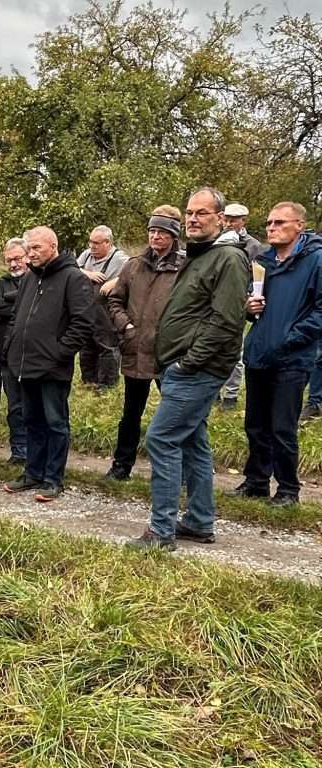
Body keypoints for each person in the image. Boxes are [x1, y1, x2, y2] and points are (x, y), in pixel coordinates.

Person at [129, 187, 250, 550]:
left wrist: (189, 361)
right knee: (193, 442)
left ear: (221, 218)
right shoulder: (201, 255)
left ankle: (161, 532)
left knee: (161, 438)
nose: (193, 219)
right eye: (189, 213)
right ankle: (198, 520)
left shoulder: (228, 258)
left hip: (196, 369)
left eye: (202, 213)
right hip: (181, 366)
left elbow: (226, 320)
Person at [231, 202, 322, 506]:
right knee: (255, 424)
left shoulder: (316, 260)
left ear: (299, 225)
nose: (271, 228)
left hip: (292, 358)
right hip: (259, 352)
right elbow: (249, 301)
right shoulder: (262, 261)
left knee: (283, 426)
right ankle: (256, 481)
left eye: (280, 222)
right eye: (269, 223)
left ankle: (287, 490)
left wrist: (291, 338)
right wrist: (248, 308)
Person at [2, 226, 95, 502]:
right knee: (31, 420)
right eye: (29, 249)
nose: (31, 254)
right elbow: (18, 315)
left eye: (36, 248)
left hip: (53, 368)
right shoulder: (30, 278)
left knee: (55, 423)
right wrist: (10, 347)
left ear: (53, 246)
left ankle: (53, 479)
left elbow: (83, 323)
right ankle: (33, 472)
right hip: (24, 364)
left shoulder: (73, 278)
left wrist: (58, 352)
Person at [105, 206, 185, 480]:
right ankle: (121, 467)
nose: (156, 236)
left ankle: (180, 471)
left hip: (169, 354)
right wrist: (125, 326)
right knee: (130, 415)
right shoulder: (134, 265)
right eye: (152, 231)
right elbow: (115, 300)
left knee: (178, 416)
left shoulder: (185, 267)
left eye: (162, 232)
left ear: (174, 236)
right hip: (135, 349)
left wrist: (176, 338)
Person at [219, 202, 266, 408]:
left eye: (233, 220)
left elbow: (256, 277)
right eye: (226, 219)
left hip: (239, 302)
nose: (228, 223)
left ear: (243, 221)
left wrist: (248, 299)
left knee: (234, 349)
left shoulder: (253, 245)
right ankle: (213, 392)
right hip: (215, 300)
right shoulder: (216, 240)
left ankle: (231, 394)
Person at [0, 237, 29, 465]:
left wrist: (13, 304)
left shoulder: (37, 279)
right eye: (9, 260)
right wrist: (23, 305)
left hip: (32, 356)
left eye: (18, 258)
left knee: (33, 406)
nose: (14, 264)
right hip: (6, 356)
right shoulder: (1, 282)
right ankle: (19, 450)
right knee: (14, 406)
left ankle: (35, 450)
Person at [76, 226, 129, 389]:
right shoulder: (86, 256)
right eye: (90, 242)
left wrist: (116, 281)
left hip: (106, 311)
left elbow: (134, 272)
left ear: (108, 243)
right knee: (86, 346)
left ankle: (106, 385)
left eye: (97, 243)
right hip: (85, 309)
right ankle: (88, 381)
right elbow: (70, 269)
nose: (92, 246)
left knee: (107, 347)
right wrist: (87, 273)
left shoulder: (120, 258)